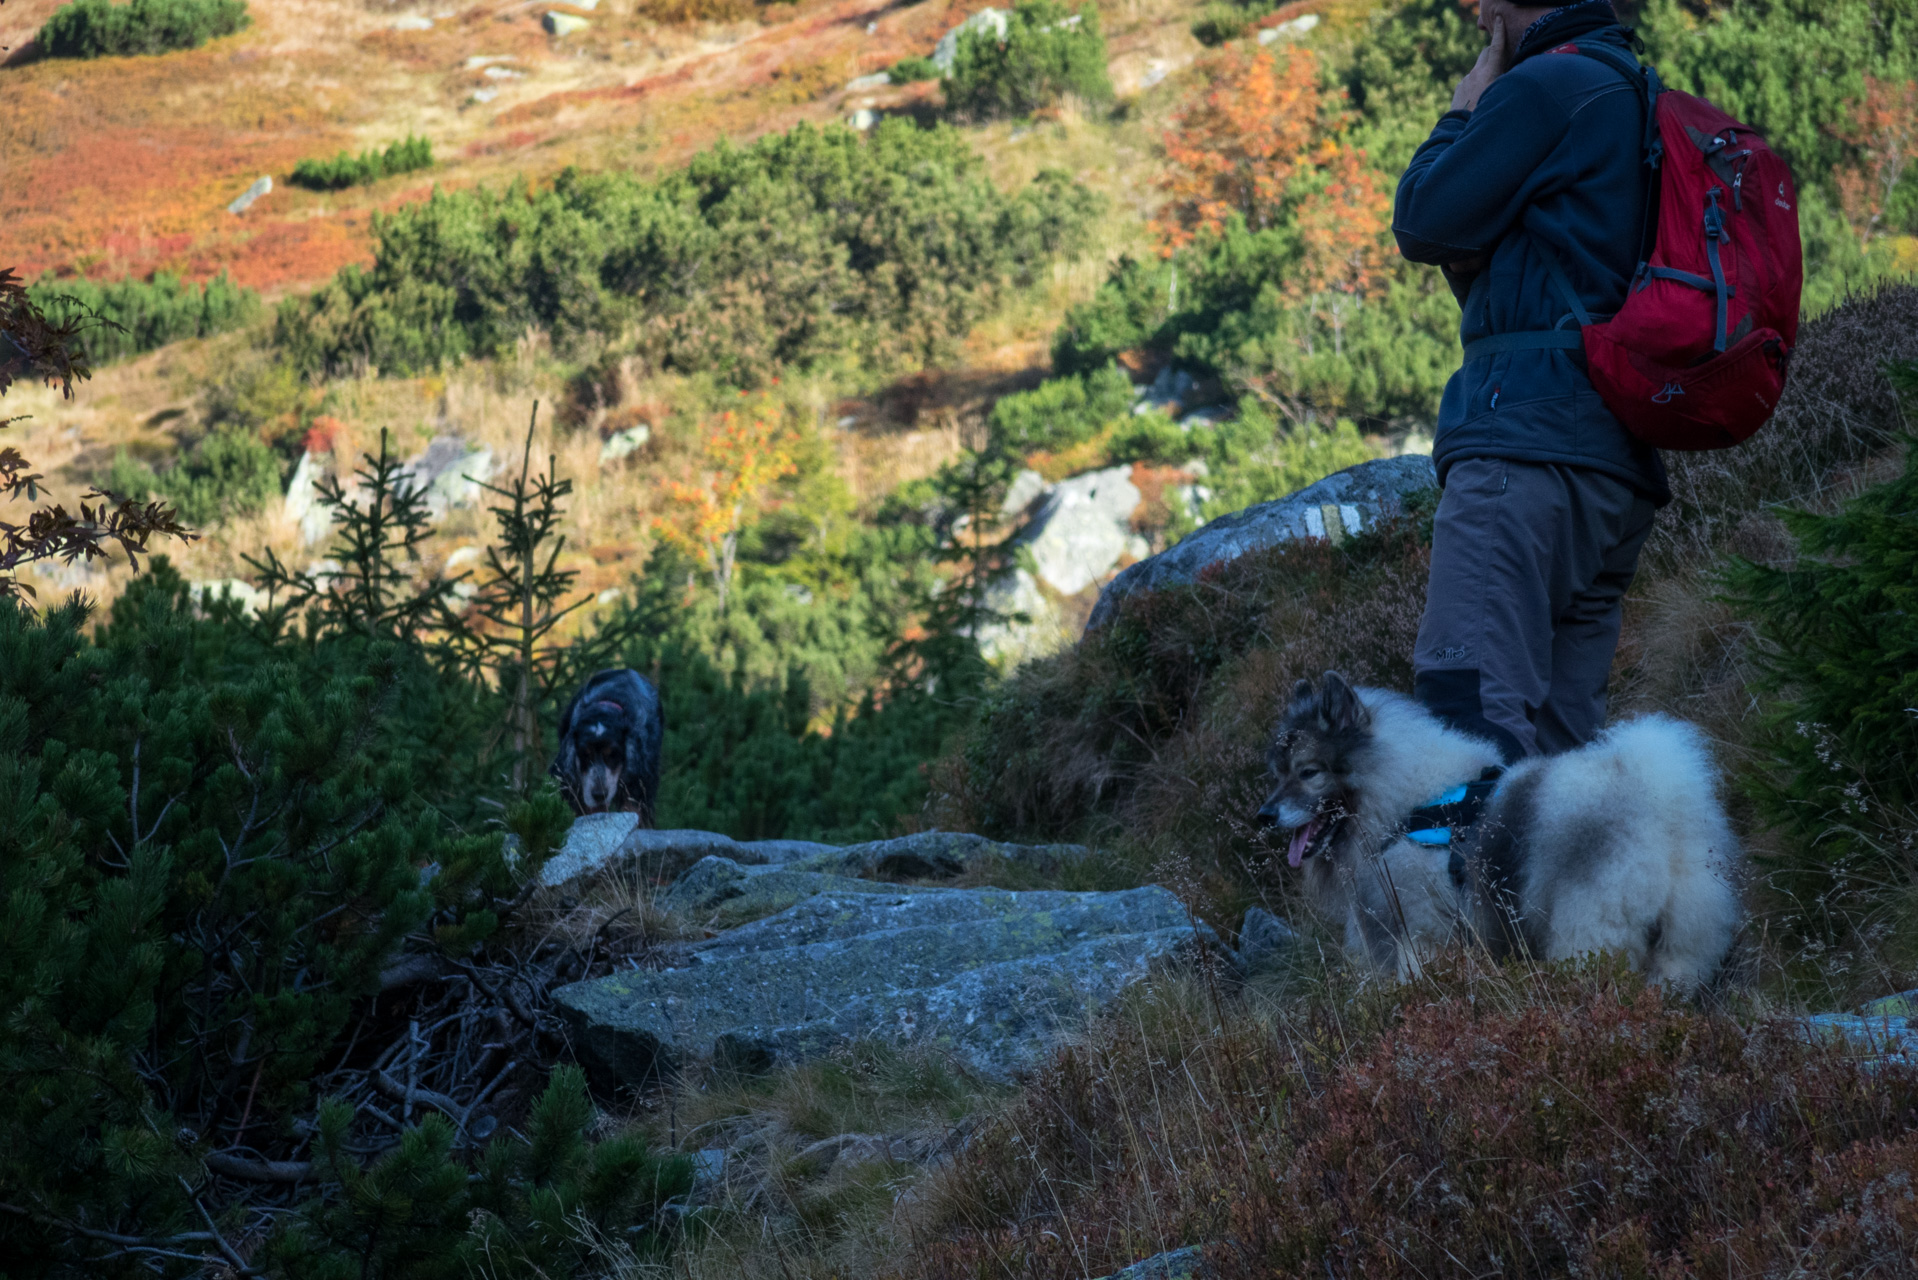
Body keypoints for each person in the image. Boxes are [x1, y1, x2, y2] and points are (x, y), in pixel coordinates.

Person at [1392, 0, 1667, 763]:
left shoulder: (1545, 88)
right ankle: (1552, 889)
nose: (1479, 14)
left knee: (1466, 710)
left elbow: (1422, 218)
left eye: (1488, 1)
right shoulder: (1634, 93)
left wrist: (1461, 112)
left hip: (1526, 448)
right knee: (1559, 752)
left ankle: (1481, 889)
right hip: (1615, 469)